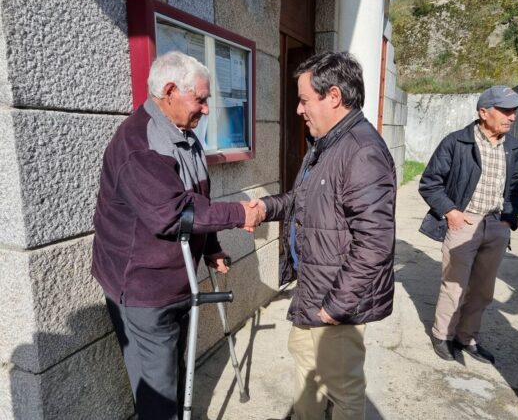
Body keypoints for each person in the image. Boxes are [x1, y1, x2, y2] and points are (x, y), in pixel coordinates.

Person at [91, 51, 263, 420]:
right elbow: (170, 213)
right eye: (199, 99)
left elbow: (198, 200)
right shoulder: (139, 144)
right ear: (169, 91)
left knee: (177, 369)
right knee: (159, 388)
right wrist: (239, 215)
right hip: (143, 289)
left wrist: (213, 246)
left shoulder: (184, 135)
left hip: (178, 280)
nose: (205, 108)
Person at [251, 52, 396, 420]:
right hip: (312, 287)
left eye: (303, 99)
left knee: (342, 389)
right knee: (304, 366)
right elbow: (302, 201)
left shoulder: (362, 152)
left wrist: (336, 306)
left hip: (334, 300)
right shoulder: (326, 144)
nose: (299, 110)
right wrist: (266, 208)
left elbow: (375, 243)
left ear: (333, 96)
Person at [419, 85, 518, 364]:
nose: (512, 116)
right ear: (484, 112)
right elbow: (430, 183)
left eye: (514, 110)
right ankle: (442, 335)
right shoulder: (457, 142)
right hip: (464, 223)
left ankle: (466, 337)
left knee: (483, 289)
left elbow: (517, 186)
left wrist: (509, 217)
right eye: (505, 110)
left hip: (496, 226)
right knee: (454, 286)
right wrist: (452, 213)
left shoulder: (513, 147)